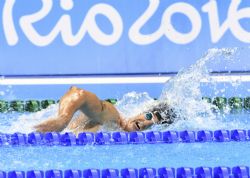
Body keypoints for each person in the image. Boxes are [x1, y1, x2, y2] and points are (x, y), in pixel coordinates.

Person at [34, 86, 176, 134]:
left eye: (153, 124)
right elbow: (78, 93)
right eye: (149, 115)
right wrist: (63, 119)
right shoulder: (113, 117)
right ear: (141, 111)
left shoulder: (116, 131)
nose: (146, 123)